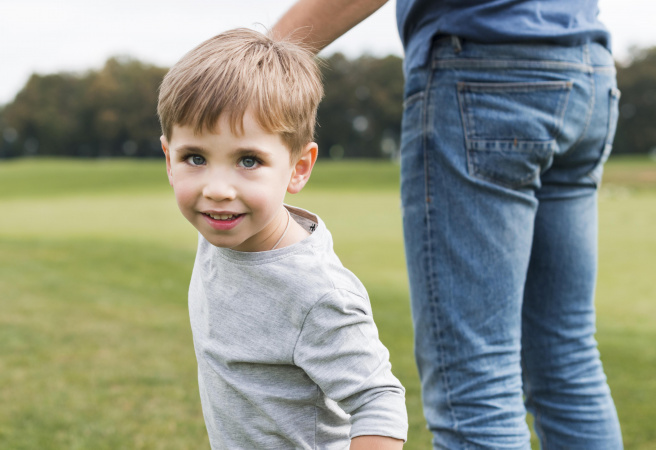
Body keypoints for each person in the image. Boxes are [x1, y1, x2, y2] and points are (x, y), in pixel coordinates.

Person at [273, 0, 624, 448]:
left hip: (484, 68)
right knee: (566, 360)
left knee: (476, 385)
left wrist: (254, 57)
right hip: (585, 68)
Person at [157, 28, 408, 449]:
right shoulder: (223, 234)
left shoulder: (317, 294)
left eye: (249, 160)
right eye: (195, 158)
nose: (217, 189)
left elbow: (379, 400)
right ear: (169, 159)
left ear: (298, 167)